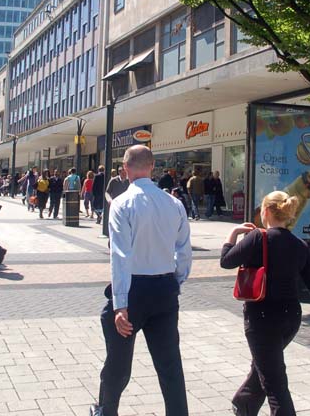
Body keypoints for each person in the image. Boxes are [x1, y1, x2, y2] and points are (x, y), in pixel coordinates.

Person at [90, 145, 192, 416]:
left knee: (119, 363)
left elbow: (120, 256)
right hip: (164, 289)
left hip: (134, 290)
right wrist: (176, 283)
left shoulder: (122, 203)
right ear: (152, 167)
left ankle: (106, 410)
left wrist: (120, 303)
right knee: (170, 364)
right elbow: (184, 251)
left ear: (125, 169)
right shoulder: (174, 203)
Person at [221, 190, 310, 415]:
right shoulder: (299, 245)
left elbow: (226, 261)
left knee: (274, 382)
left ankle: (251, 406)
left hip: (262, 318)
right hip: (290, 318)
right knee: (265, 366)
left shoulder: (258, 238)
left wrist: (233, 233)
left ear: (265, 211)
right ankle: (243, 404)